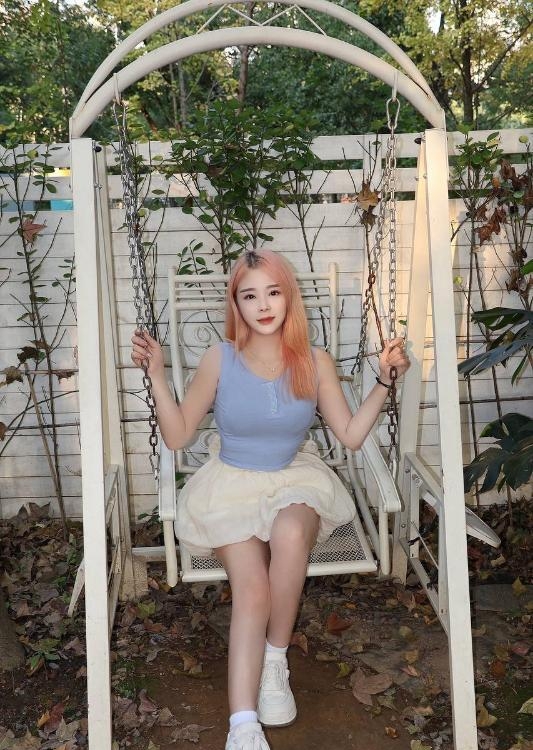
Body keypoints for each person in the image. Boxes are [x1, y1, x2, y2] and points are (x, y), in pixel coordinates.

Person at [131, 249, 410, 750]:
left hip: (292, 479)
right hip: (231, 485)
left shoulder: (313, 361)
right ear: (236, 304)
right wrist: (155, 374)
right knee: (253, 589)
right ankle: (242, 726)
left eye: (273, 292)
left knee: (291, 532)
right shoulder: (220, 359)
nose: (263, 305)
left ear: (288, 297)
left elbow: (350, 435)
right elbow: (177, 436)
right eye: (249, 295)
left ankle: (275, 662)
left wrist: (385, 380)